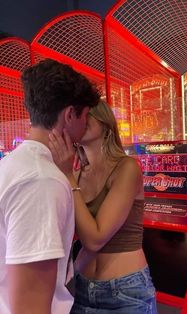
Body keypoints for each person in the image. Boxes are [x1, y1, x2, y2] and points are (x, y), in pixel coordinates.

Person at [0, 58, 100, 314]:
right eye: (85, 116)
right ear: (69, 115)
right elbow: (30, 305)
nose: (85, 125)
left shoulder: (15, 164)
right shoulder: (40, 180)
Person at [48, 101, 158, 313]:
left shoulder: (127, 168)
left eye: (87, 114)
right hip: (80, 287)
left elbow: (95, 239)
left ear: (106, 122)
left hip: (126, 290)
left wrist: (68, 176)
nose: (80, 120)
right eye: (75, 116)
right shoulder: (78, 174)